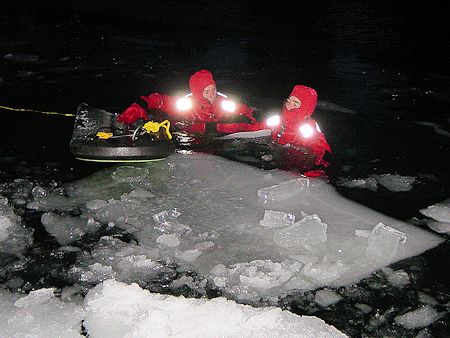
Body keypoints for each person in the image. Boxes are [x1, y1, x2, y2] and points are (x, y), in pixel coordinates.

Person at [117, 69, 263, 134]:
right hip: (188, 136)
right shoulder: (186, 105)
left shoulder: (223, 104)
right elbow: (159, 100)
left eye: (213, 89)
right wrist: (142, 104)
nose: (212, 94)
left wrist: (254, 114)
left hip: (216, 136)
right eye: (207, 92)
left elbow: (245, 110)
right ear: (198, 93)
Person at [271, 85, 331, 167]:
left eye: (295, 104)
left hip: (294, 167)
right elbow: (258, 128)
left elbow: (318, 152)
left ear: (305, 108)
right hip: (275, 157)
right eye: (288, 101)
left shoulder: (308, 128)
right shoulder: (279, 120)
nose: (288, 106)